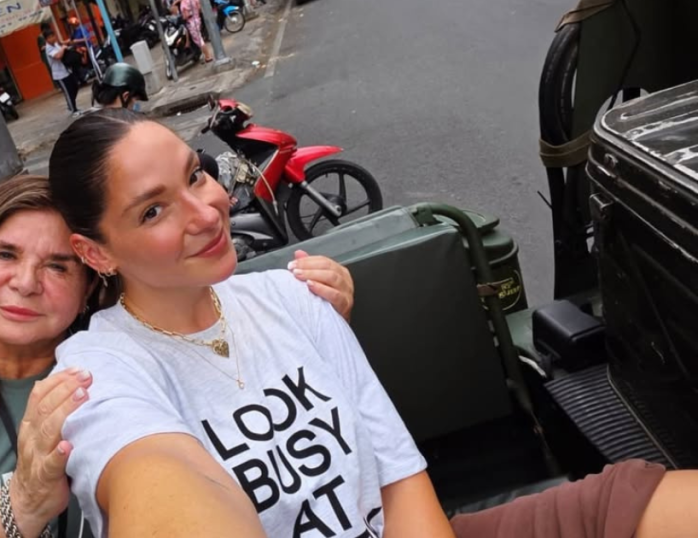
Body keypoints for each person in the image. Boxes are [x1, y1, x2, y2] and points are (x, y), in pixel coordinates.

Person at [44, 108, 698, 538]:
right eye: (153, 211)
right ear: (95, 253)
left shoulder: (296, 294)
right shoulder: (97, 373)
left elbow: (399, 481)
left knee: (648, 502)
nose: (206, 213)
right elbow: (153, 484)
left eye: (196, 176)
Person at [0, 173, 356, 538]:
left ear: (88, 287)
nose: (25, 283)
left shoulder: (135, 358)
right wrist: (22, 505)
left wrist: (314, 317)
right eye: (5, 254)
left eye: (58, 266)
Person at [43, 29, 81, 116]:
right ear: (46, 39)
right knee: (68, 92)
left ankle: (71, 105)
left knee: (75, 87)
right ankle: (73, 110)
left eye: (53, 36)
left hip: (66, 70)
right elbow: (58, 56)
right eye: (50, 37)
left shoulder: (55, 44)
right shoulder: (48, 49)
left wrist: (66, 46)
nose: (52, 38)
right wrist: (63, 48)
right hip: (59, 74)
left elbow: (63, 46)